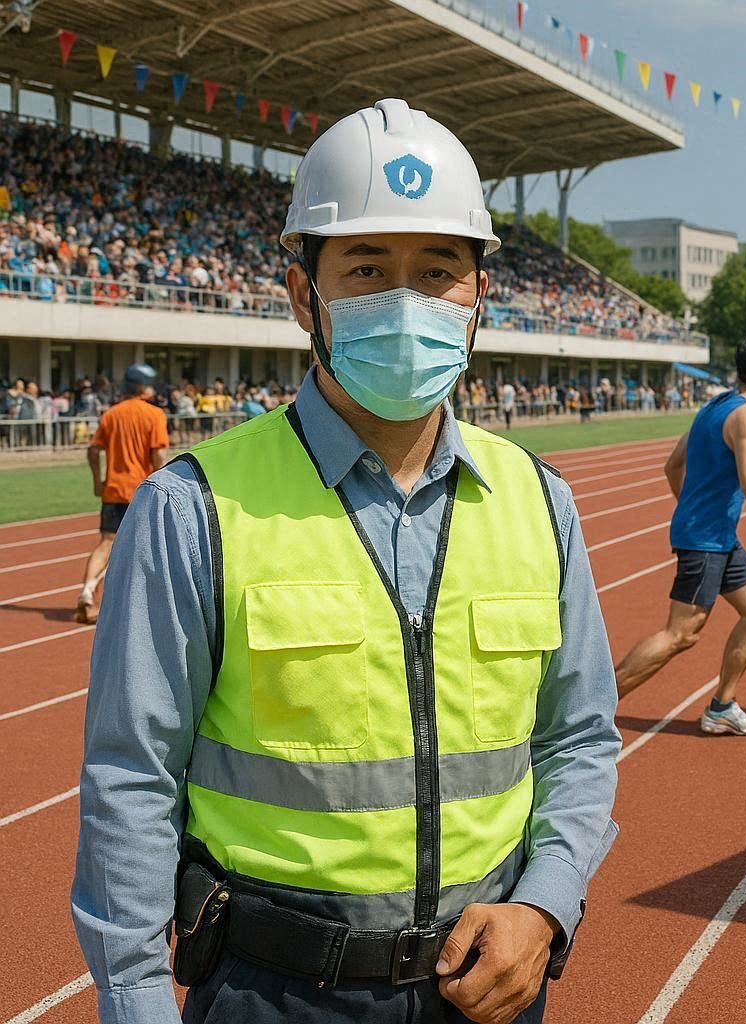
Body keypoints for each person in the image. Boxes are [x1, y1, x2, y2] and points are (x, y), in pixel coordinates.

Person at [72, 99, 620, 1024]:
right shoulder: (193, 507)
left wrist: (545, 903)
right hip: (273, 991)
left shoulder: (540, 501)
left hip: (487, 986)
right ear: (303, 296)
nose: (406, 302)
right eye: (367, 270)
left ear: (479, 297)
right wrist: (133, 999)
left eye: (437, 271)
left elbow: (579, 738)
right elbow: (132, 775)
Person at [614, 333, 746, 735]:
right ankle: (589, 708)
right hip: (705, 538)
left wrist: (692, 508)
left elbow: (672, 466)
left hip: (717, 535)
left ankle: (721, 707)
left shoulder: (713, 407)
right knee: (681, 633)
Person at [76, 363, 169, 624]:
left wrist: (98, 481)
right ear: (143, 387)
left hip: (114, 489)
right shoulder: (154, 415)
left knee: (106, 542)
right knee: (148, 548)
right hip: (141, 491)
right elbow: (159, 454)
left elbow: (93, 450)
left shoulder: (111, 414)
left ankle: (87, 591)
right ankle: (141, 606)